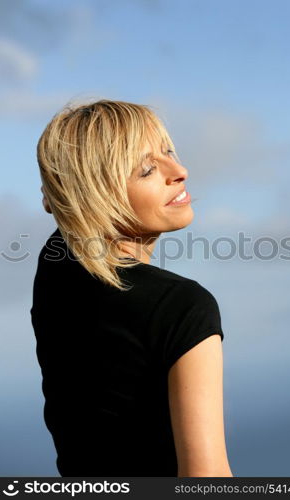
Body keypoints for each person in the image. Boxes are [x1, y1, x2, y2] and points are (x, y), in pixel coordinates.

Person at [31, 99, 233, 477]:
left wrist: (56, 189)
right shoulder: (181, 306)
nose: (180, 171)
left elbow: (58, 205)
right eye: (146, 170)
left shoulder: (55, 267)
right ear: (93, 194)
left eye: (168, 151)